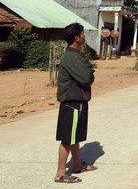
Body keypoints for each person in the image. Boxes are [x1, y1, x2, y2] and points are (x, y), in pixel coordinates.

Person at [54, 23, 97, 183]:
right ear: (77, 38)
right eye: (82, 34)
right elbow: (86, 78)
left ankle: (77, 164)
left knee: (74, 137)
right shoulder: (71, 57)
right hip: (71, 103)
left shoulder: (75, 54)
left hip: (78, 102)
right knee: (67, 139)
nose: (84, 37)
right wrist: (91, 75)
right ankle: (60, 173)